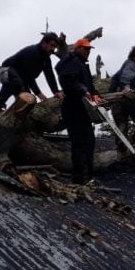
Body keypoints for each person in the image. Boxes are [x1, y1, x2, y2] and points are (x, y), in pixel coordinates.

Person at [55, 38, 103, 184]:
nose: (87, 52)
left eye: (89, 49)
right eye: (85, 49)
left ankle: (88, 176)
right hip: (72, 106)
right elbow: (67, 80)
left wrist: (97, 97)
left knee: (89, 140)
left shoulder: (82, 65)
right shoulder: (72, 61)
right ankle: (79, 177)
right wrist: (82, 90)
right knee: (79, 142)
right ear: (78, 49)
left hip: (83, 108)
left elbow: (89, 87)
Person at [0, 32, 64, 115]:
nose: (53, 49)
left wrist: (55, 91)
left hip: (22, 77)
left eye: (55, 47)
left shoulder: (46, 59)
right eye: (52, 45)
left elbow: (50, 76)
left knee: (29, 101)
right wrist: (39, 94)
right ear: (44, 43)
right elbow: (29, 76)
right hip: (6, 70)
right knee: (16, 82)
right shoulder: (33, 52)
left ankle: (14, 116)